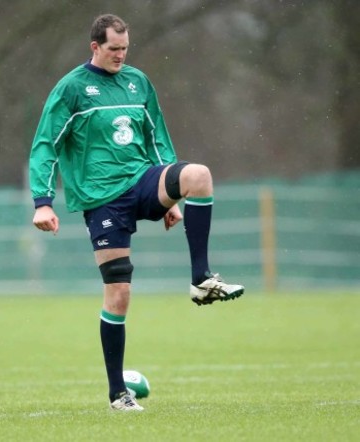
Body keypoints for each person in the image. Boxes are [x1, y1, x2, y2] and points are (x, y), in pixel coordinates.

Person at [29, 14, 244, 412]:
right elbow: (45, 145)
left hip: (142, 181)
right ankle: (118, 395)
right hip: (101, 199)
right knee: (119, 293)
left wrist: (172, 197)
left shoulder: (138, 81)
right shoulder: (72, 89)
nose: (121, 56)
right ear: (95, 47)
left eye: (125, 48)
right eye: (113, 49)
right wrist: (42, 201)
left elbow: (158, 136)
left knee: (199, 175)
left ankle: (200, 278)